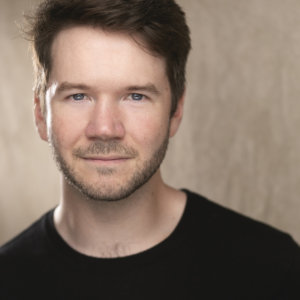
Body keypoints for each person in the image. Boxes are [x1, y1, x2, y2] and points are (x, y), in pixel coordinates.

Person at [0, 0, 299, 299]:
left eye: (136, 96)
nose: (105, 128)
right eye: (78, 96)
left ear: (175, 111)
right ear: (40, 114)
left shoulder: (273, 270)